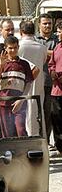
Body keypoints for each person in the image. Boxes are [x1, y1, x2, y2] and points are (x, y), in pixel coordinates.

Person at [0, 36, 35, 138]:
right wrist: (1, 65)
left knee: (20, 130)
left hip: (19, 103)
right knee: (7, 133)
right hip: (4, 103)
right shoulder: (1, 63)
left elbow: (29, 83)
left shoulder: (24, 64)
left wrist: (21, 99)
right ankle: (9, 153)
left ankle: (23, 152)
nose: (13, 50)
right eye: (10, 48)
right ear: (5, 48)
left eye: (15, 48)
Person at [18, 20, 47, 137]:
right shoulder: (42, 47)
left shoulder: (18, 46)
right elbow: (43, 62)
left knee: (22, 112)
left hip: (21, 83)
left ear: (21, 32)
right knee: (36, 111)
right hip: (38, 83)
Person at [36, 13, 59, 145]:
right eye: (45, 23)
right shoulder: (35, 39)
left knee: (51, 114)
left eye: (49, 23)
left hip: (53, 84)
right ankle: (42, 141)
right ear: (39, 24)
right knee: (39, 115)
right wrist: (49, 52)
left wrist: (43, 51)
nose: (47, 26)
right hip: (39, 82)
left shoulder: (57, 39)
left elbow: (58, 55)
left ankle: (51, 142)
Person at [48, 22, 62, 154]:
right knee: (56, 120)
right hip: (56, 90)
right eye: (57, 32)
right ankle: (60, 147)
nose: (58, 34)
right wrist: (52, 71)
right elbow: (51, 63)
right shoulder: (57, 47)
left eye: (59, 31)